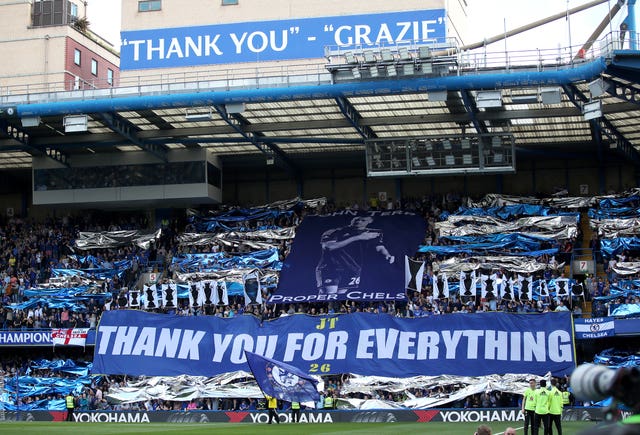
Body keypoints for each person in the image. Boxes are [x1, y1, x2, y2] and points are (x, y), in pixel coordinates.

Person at [315, 215, 395, 295]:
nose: (359, 221)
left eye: (363, 220)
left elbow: (379, 246)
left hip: (352, 268)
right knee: (329, 294)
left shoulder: (373, 233)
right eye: (357, 219)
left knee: (341, 295)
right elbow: (328, 247)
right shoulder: (334, 231)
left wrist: (387, 254)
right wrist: (358, 237)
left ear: (370, 221)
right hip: (331, 266)